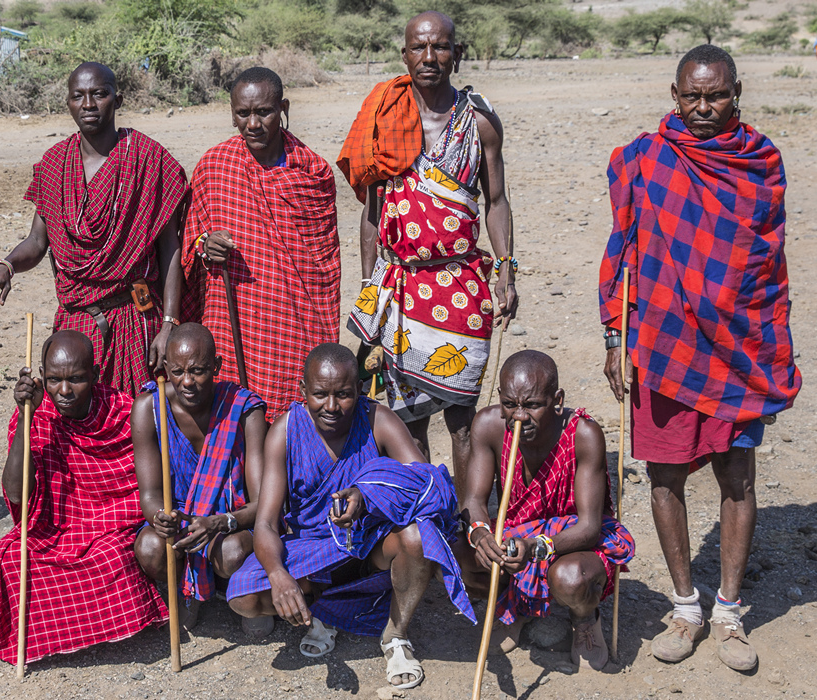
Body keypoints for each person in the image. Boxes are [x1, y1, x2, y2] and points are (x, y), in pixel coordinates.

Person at [599, 45, 800, 672]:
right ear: (675, 93)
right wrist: (615, 337)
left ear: (736, 91)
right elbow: (623, 251)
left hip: (737, 348)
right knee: (664, 476)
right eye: (692, 95)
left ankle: (730, 611)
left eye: (715, 95)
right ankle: (686, 608)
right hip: (663, 344)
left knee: (737, 477)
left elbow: (765, 267)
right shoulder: (643, 160)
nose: (704, 107)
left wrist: (763, 338)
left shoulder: (761, 164)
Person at [227, 344, 475, 690]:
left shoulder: (378, 420)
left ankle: (396, 633)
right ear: (303, 391)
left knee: (418, 537)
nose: (331, 406)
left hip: (371, 546)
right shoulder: (285, 431)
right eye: (320, 395)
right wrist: (279, 574)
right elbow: (266, 521)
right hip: (312, 552)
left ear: (359, 390)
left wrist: (369, 495)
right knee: (244, 597)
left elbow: (429, 483)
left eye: (343, 395)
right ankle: (321, 610)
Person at [340, 12, 517, 488]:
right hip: (398, 285)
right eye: (418, 47)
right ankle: (424, 522)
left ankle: (469, 525)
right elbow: (373, 211)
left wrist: (506, 269)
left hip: (460, 285)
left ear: (457, 54)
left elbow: (496, 201)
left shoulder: (478, 123)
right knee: (408, 422)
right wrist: (368, 284)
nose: (429, 57)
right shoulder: (387, 116)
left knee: (461, 419)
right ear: (404, 55)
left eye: (441, 47)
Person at [0, 62, 189, 395]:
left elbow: (170, 249)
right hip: (76, 320)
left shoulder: (148, 159)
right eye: (78, 96)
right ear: (68, 103)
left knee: (139, 424)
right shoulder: (55, 164)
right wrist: (5, 266)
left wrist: (169, 325)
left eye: (99, 94)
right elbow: (37, 240)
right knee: (74, 423)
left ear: (117, 100)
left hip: (134, 319)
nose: (88, 105)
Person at [0, 331, 168, 664]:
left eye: (76, 379)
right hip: (59, 530)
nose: (65, 391)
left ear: (96, 375)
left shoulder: (122, 410)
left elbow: (147, 489)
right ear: (43, 378)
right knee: (11, 558)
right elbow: (16, 493)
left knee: (113, 557)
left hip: (115, 525)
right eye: (54, 380)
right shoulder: (36, 415)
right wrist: (26, 419)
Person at [460, 351, 634, 671]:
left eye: (532, 405)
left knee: (571, 578)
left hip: (571, 543)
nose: (520, 416)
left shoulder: (583, 434)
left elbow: (589, 527)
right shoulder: (489, 425)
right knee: (464, 555)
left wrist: (537, 547)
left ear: (557, 400)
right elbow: (473, 501)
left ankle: (584, 618)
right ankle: (520, 605)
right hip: (519, 538)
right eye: (510, 404)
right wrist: (481, 533)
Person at [182, 67, 339, 419]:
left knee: (292, 415)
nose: (253, 124)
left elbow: (323, 265)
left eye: (264, 112)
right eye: (243, 113)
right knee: (231, 415)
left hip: (293, 319)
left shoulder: (312, 173)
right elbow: (193, 240)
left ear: (283, 107)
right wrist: (207, 246)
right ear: (232, 113)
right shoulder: (215, 165)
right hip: (230, 312)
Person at [131, 323, 269, 633]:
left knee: (231, 554)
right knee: (151, 548)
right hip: (181, 521)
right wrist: (159, 517)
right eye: (178, 372)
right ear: (165, 368)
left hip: (229, 522)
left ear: (217, 367)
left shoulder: (244, 410)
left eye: (199, 371)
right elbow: (151, 494)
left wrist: (220, 522)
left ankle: (238, 588)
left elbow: (264, 504)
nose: (188, 382)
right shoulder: (149, 409)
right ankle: (181, 587)